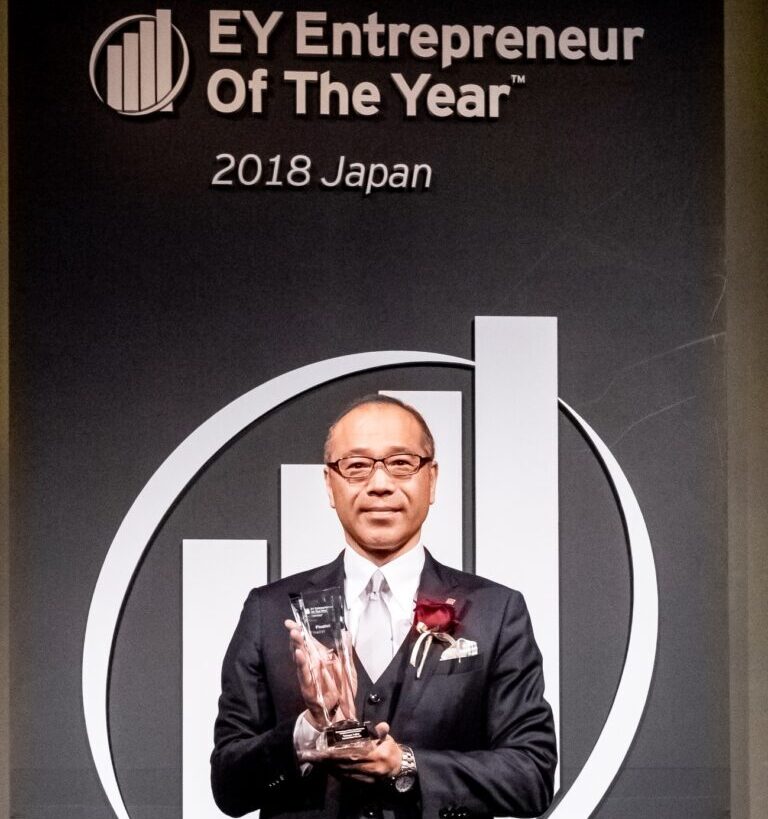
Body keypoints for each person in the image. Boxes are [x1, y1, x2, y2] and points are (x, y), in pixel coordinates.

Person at [211, 395, 557, 818]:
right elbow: (228, 785)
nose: (379, 484)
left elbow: (532, 775)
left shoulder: (496, 612)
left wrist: (406, 764)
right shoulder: (268, 612)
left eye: (401, 463)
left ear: (432, 479)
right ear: (329, 484)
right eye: (356, 466)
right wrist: (310, 729)